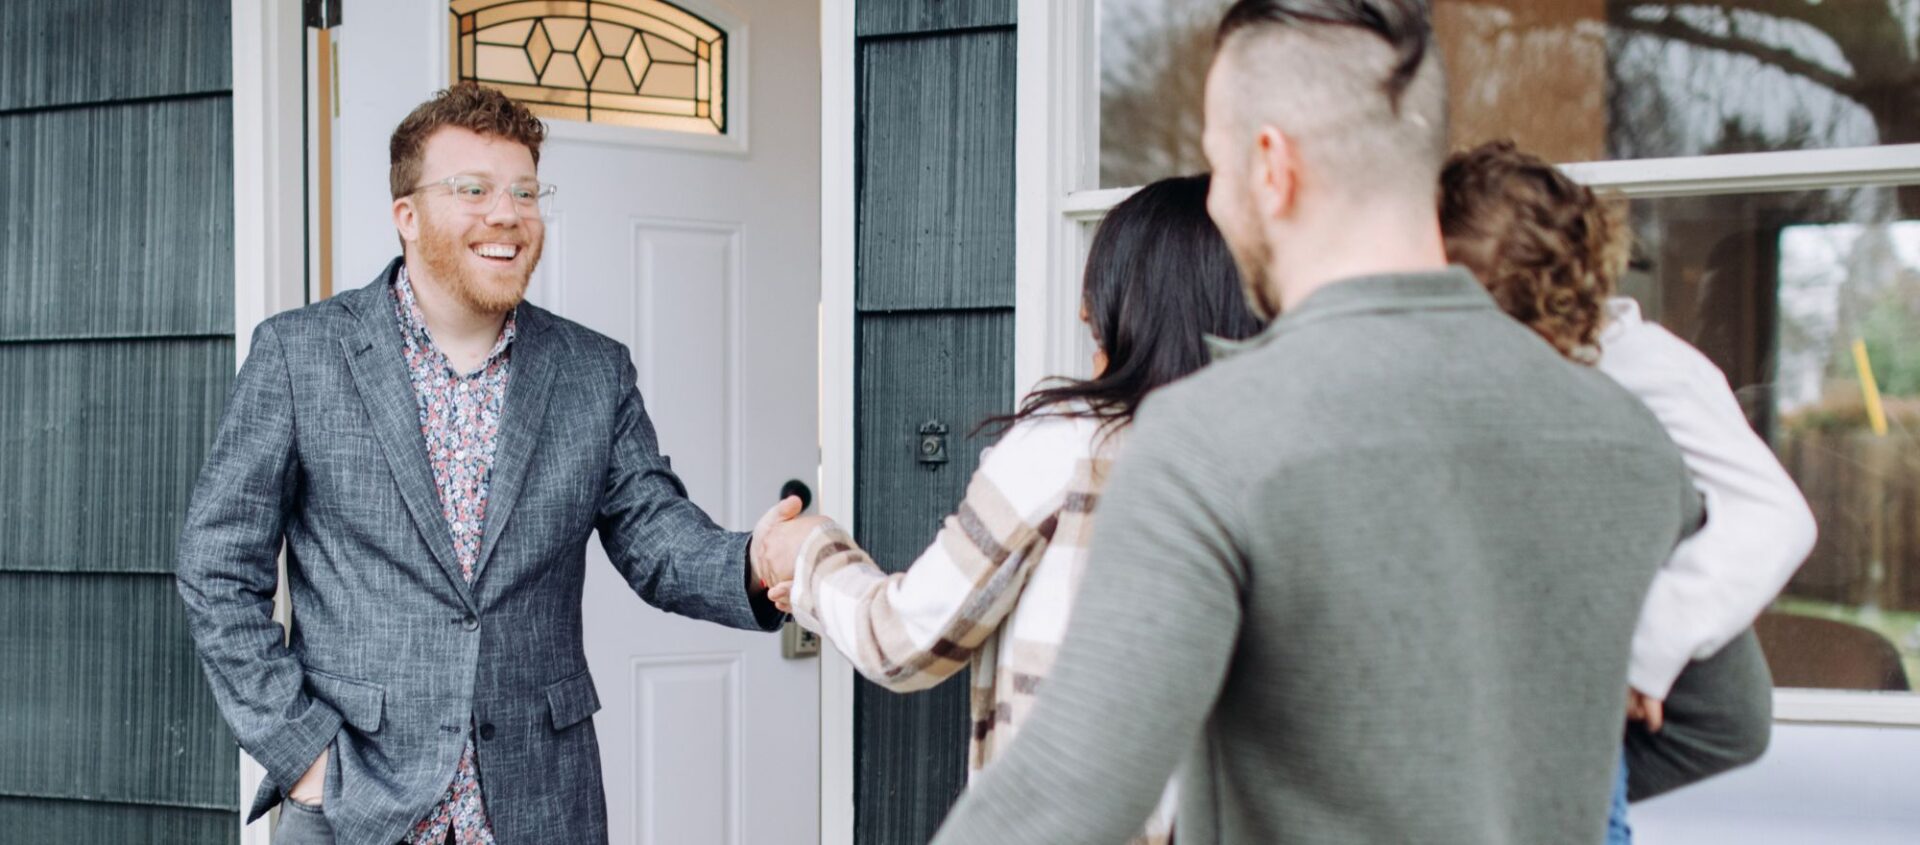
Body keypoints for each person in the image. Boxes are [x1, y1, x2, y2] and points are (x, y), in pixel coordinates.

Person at [923, 1, 1735, 842]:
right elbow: (1726, 721)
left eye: (1216, 171)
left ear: (1271, 166)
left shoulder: (1210, 438)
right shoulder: (1621, 429)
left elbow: (1059, 802)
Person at [175, 83, 798, 845]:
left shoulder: (592, 372)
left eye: (524, 191)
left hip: (541, 806)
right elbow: (216, 565)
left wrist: (756, 561)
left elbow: (658, 538)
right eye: (473, 189)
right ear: (406, 213)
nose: (507, 213)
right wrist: (302, 751)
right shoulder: (300, 356)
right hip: (352, 808)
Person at [760, 174, 1262, 845]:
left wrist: (812, 553)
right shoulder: (1273, 460)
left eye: (1101, 310)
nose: (1091, 328)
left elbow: (904, 639)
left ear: (1141, 306)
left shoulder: (1070, 446)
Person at [1440, 139, 1814, 841]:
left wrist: (1643, 648)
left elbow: (1776, 515)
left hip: (1612, 688)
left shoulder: (1649, 371)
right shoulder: (1533, 381)